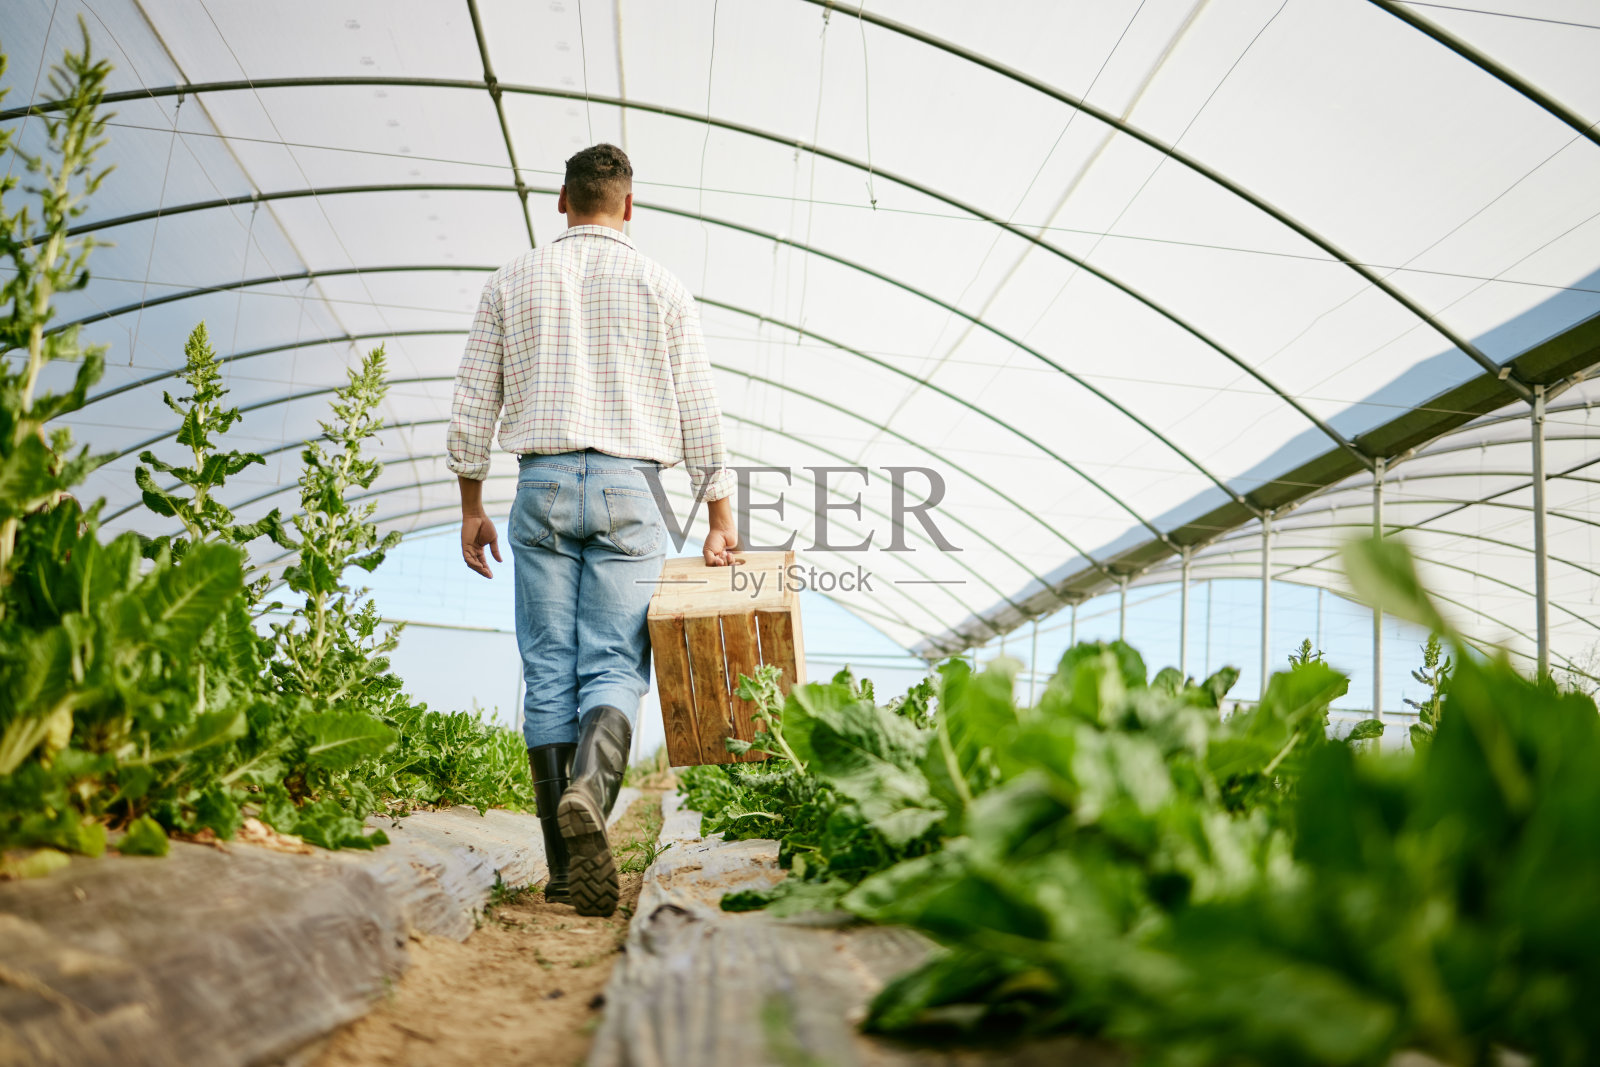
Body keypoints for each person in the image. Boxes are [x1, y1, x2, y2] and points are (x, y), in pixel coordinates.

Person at [446, 143, 739, 916]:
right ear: (629, 208)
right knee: (614, 662)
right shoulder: (662, 286)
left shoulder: (513, 278)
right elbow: (701, 410)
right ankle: (590, 790)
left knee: (548, 669)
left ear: (562, 201)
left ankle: (564, 865)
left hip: (539, 484)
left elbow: (474, 401)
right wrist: (719, 518)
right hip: (630, 487)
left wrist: (472, 502)